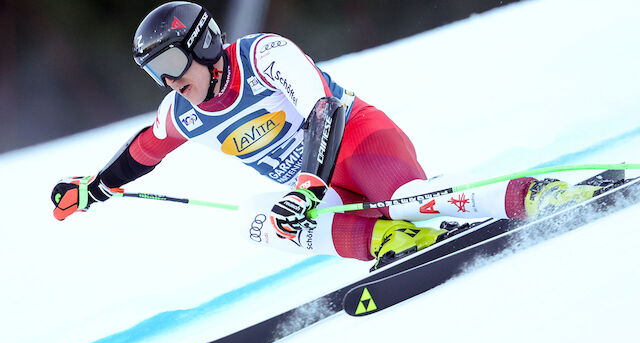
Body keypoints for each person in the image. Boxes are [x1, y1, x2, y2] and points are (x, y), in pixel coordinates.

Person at [51, 1, 602, 270]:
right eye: (156, 74)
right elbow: (145, 151)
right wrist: (93, 189)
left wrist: (309, 185)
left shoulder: (264, 55)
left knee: (409, 199)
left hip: (359, 143)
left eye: (173, 62)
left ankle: (535, 194)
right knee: (254, 219)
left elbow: (323, 112)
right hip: (317, 189)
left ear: (204, 43)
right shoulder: (184, 110)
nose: (171, 81)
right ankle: (390, 244)